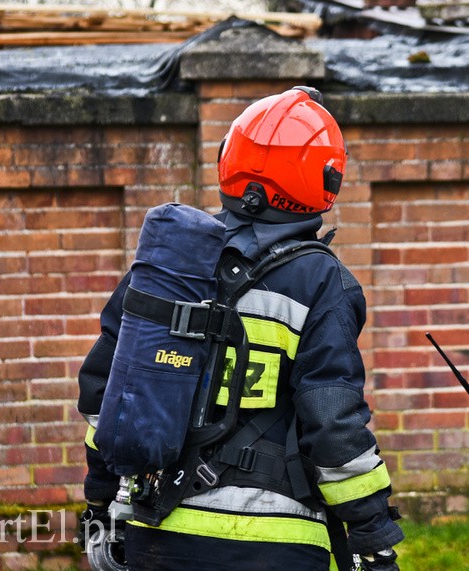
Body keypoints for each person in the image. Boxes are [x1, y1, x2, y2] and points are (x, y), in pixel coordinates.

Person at [77, 87, 404, 570]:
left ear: (229, 162)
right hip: (273, 543)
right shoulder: (321, 282)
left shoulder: (169, 269)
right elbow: (333, 426)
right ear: (325, 178)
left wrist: (101, 505)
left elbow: (108, 398)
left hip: (156, 534)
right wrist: (373, 537)